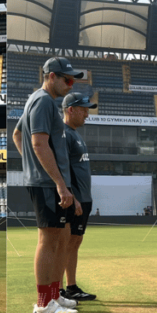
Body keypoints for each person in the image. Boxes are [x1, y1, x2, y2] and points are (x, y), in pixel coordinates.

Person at [12, 56, 84, 313]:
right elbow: (38, 144)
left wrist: (31, 166)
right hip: (47, 184)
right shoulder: (42, 100)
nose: (71, 83)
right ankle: (44, 304)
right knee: (48, 240)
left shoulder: (38, 100)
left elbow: (17, 135)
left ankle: (53, 296)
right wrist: (57, 183)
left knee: (58, 238)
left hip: (45, 180)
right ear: (51, 76)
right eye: (67, 79)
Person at [59, 92, 97, 302]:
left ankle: (70, 286)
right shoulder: (65, 134)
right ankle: (66, 287)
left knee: (75, 242)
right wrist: (73, 196)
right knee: (68, 243)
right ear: (70, 109)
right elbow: (63, 168)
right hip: (76, 199)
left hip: (83, 198)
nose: (87, 115)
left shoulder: (74, 133)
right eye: (83, 110)